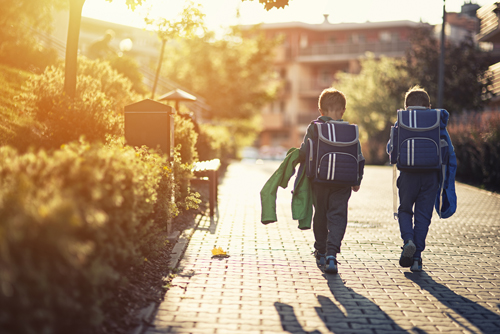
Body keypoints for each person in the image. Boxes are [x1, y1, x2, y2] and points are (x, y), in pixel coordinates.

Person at [391, 86, 455, 272]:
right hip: (430, 176)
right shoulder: (437, 122)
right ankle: (417, 258)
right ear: (428, 105)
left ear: (407, 106)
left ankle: (408, 241)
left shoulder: (401, 122)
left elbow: (392, 150)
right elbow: (448, 152)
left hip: (408, 176)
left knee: (404, 210)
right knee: (423, 217)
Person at [298, 88, 362, 274]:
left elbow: (304, 152)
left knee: (320, 214)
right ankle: (332, 253)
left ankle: (321, 251)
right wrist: (357, 179)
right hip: (343, 182)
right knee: (338, 216)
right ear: (343, 110)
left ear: (321, 111)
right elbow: (358, 156)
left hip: (320, 181)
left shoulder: (315, 127)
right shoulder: (350, 130)